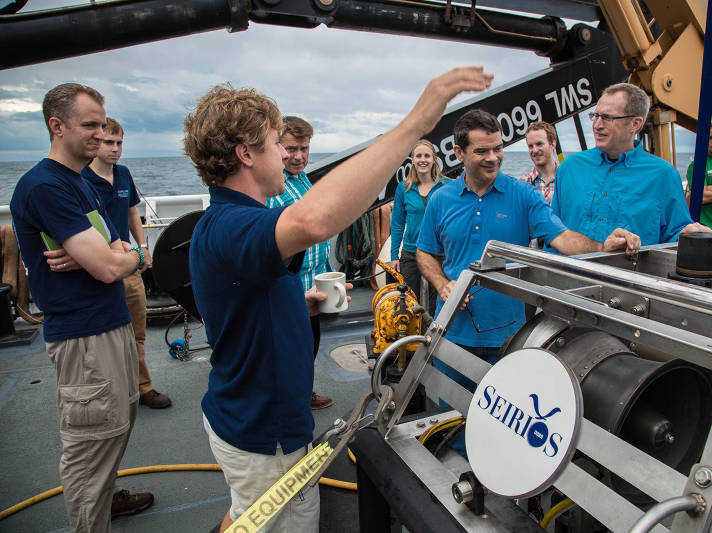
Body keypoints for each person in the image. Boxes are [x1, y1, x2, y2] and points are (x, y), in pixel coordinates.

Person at [184, 67, 494, 533]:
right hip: (262, 430)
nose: (284, 155)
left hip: (248, 417)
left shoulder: (224, 222)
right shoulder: (235, 228)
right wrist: (414, 123)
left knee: (247, 508)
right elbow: (313, 222)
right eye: (273, 144)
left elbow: (247, 300)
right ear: (245, 154)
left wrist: (298, 303)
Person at [9, 83, 154, 532]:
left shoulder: (78, 182)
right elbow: (112, 267)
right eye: (90, 125)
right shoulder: (45, 187)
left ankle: (109, 501)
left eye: (102, 124)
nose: (99, 133)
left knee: (117, 422)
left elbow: (116, 251)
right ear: (57, 126)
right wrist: (123, 258)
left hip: (109, 325)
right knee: (91, 443)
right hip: (84, 335)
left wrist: (120, 255)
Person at [416, 109, 639, 394]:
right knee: (452, 423)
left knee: (506, 420)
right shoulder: (440, 198)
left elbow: (563, 237)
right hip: (451, 331)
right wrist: (442, 284)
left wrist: (602, 246)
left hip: (510, 337)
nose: (493, 158)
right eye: (482, 151)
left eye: (498, 148)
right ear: (459, 153)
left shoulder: (523, 195)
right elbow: (424, 252)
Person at [82, 117, 172, 409]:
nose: (115, 149)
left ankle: (142, 387)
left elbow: (133, 212)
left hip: (128, 264)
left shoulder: (122, 175)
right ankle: (110, 392)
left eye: (119, 143)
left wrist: (143, 247)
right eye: (109, 142)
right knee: (102, 337)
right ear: (96, 142)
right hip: (97, 269)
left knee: (136, 331)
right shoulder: (81, 180)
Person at [552, 83, 709, 246]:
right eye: (595, 116)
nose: (597, 125)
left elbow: (673, 235)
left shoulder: (663, 175)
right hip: (569, 271)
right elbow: (553, 231)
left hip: (630, 271)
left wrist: (687, 235)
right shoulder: (569, 168)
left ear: (635, 123)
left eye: (607, 118)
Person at [266, 116, 332, 410]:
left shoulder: (302, 179)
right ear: (277, 147)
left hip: (313, 283)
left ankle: (303, 393)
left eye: (304, 149)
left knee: (308, 347)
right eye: (292, 149)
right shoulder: (274, 188)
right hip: (292, 288)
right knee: (289, 351)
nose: (299, 156)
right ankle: (289, 402)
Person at [389, 139, 449, 306]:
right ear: (413, 160)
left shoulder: (446, 187)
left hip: (438, 253)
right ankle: (413, 332)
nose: (423, 159)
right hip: (410, 252)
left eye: (427, 156)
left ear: (433, 159)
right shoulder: (403, 188)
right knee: (408, 302)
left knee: (437, 302)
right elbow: (397, 224)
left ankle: (433, 332)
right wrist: (394, 256)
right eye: (419, 156)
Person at [521, 121, 558, 204]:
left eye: (539, 144)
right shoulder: (522, 184)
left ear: (553, 144)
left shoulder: (566, 178)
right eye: (530, 146)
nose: (535, 150)